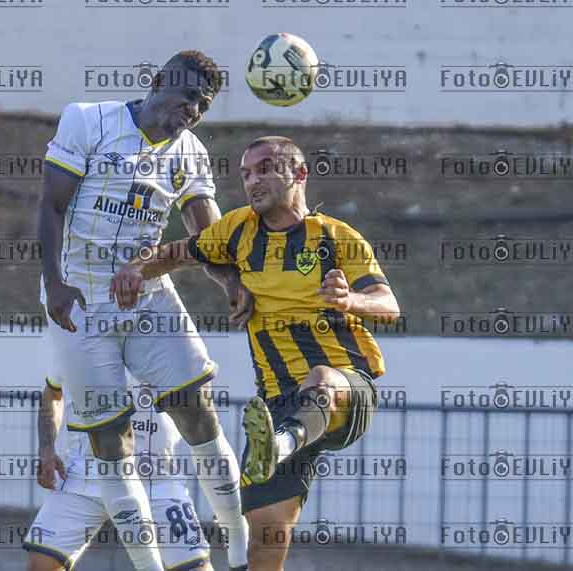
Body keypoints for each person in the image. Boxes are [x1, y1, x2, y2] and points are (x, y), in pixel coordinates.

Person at [110, 136, 401, 571]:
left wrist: (349, 301)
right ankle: (279, 443)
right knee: (263, 542)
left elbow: (389, 305)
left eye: (265, 168)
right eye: (246, 173)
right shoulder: (239, 229)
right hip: (276, 404)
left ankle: (282, 444)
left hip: (347, 388)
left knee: (321, 380)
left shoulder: (337, 237)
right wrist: (136, 269)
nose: (252, 181)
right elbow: (179, 252)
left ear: (299, 173)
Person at [37, 51, 250, 571]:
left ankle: (242, 548)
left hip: (148, 295)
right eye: (188, 95)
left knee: (197, 410)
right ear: (157, 82)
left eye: (203, 105)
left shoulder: (191, 152)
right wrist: (55, 284)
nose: (193, 109)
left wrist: (230, 281)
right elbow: (51, 205)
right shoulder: (88, 120)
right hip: (80, 301)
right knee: (111, 443)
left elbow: (207, 236)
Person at [24, 379, 215, 571]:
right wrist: (46, 448)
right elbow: (52, 394)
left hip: (156, 483)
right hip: (86, 477)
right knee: (40, 566)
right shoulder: (73, 357)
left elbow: (203, 412)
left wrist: (221, 490)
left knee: (195, 567)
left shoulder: (172, 358)